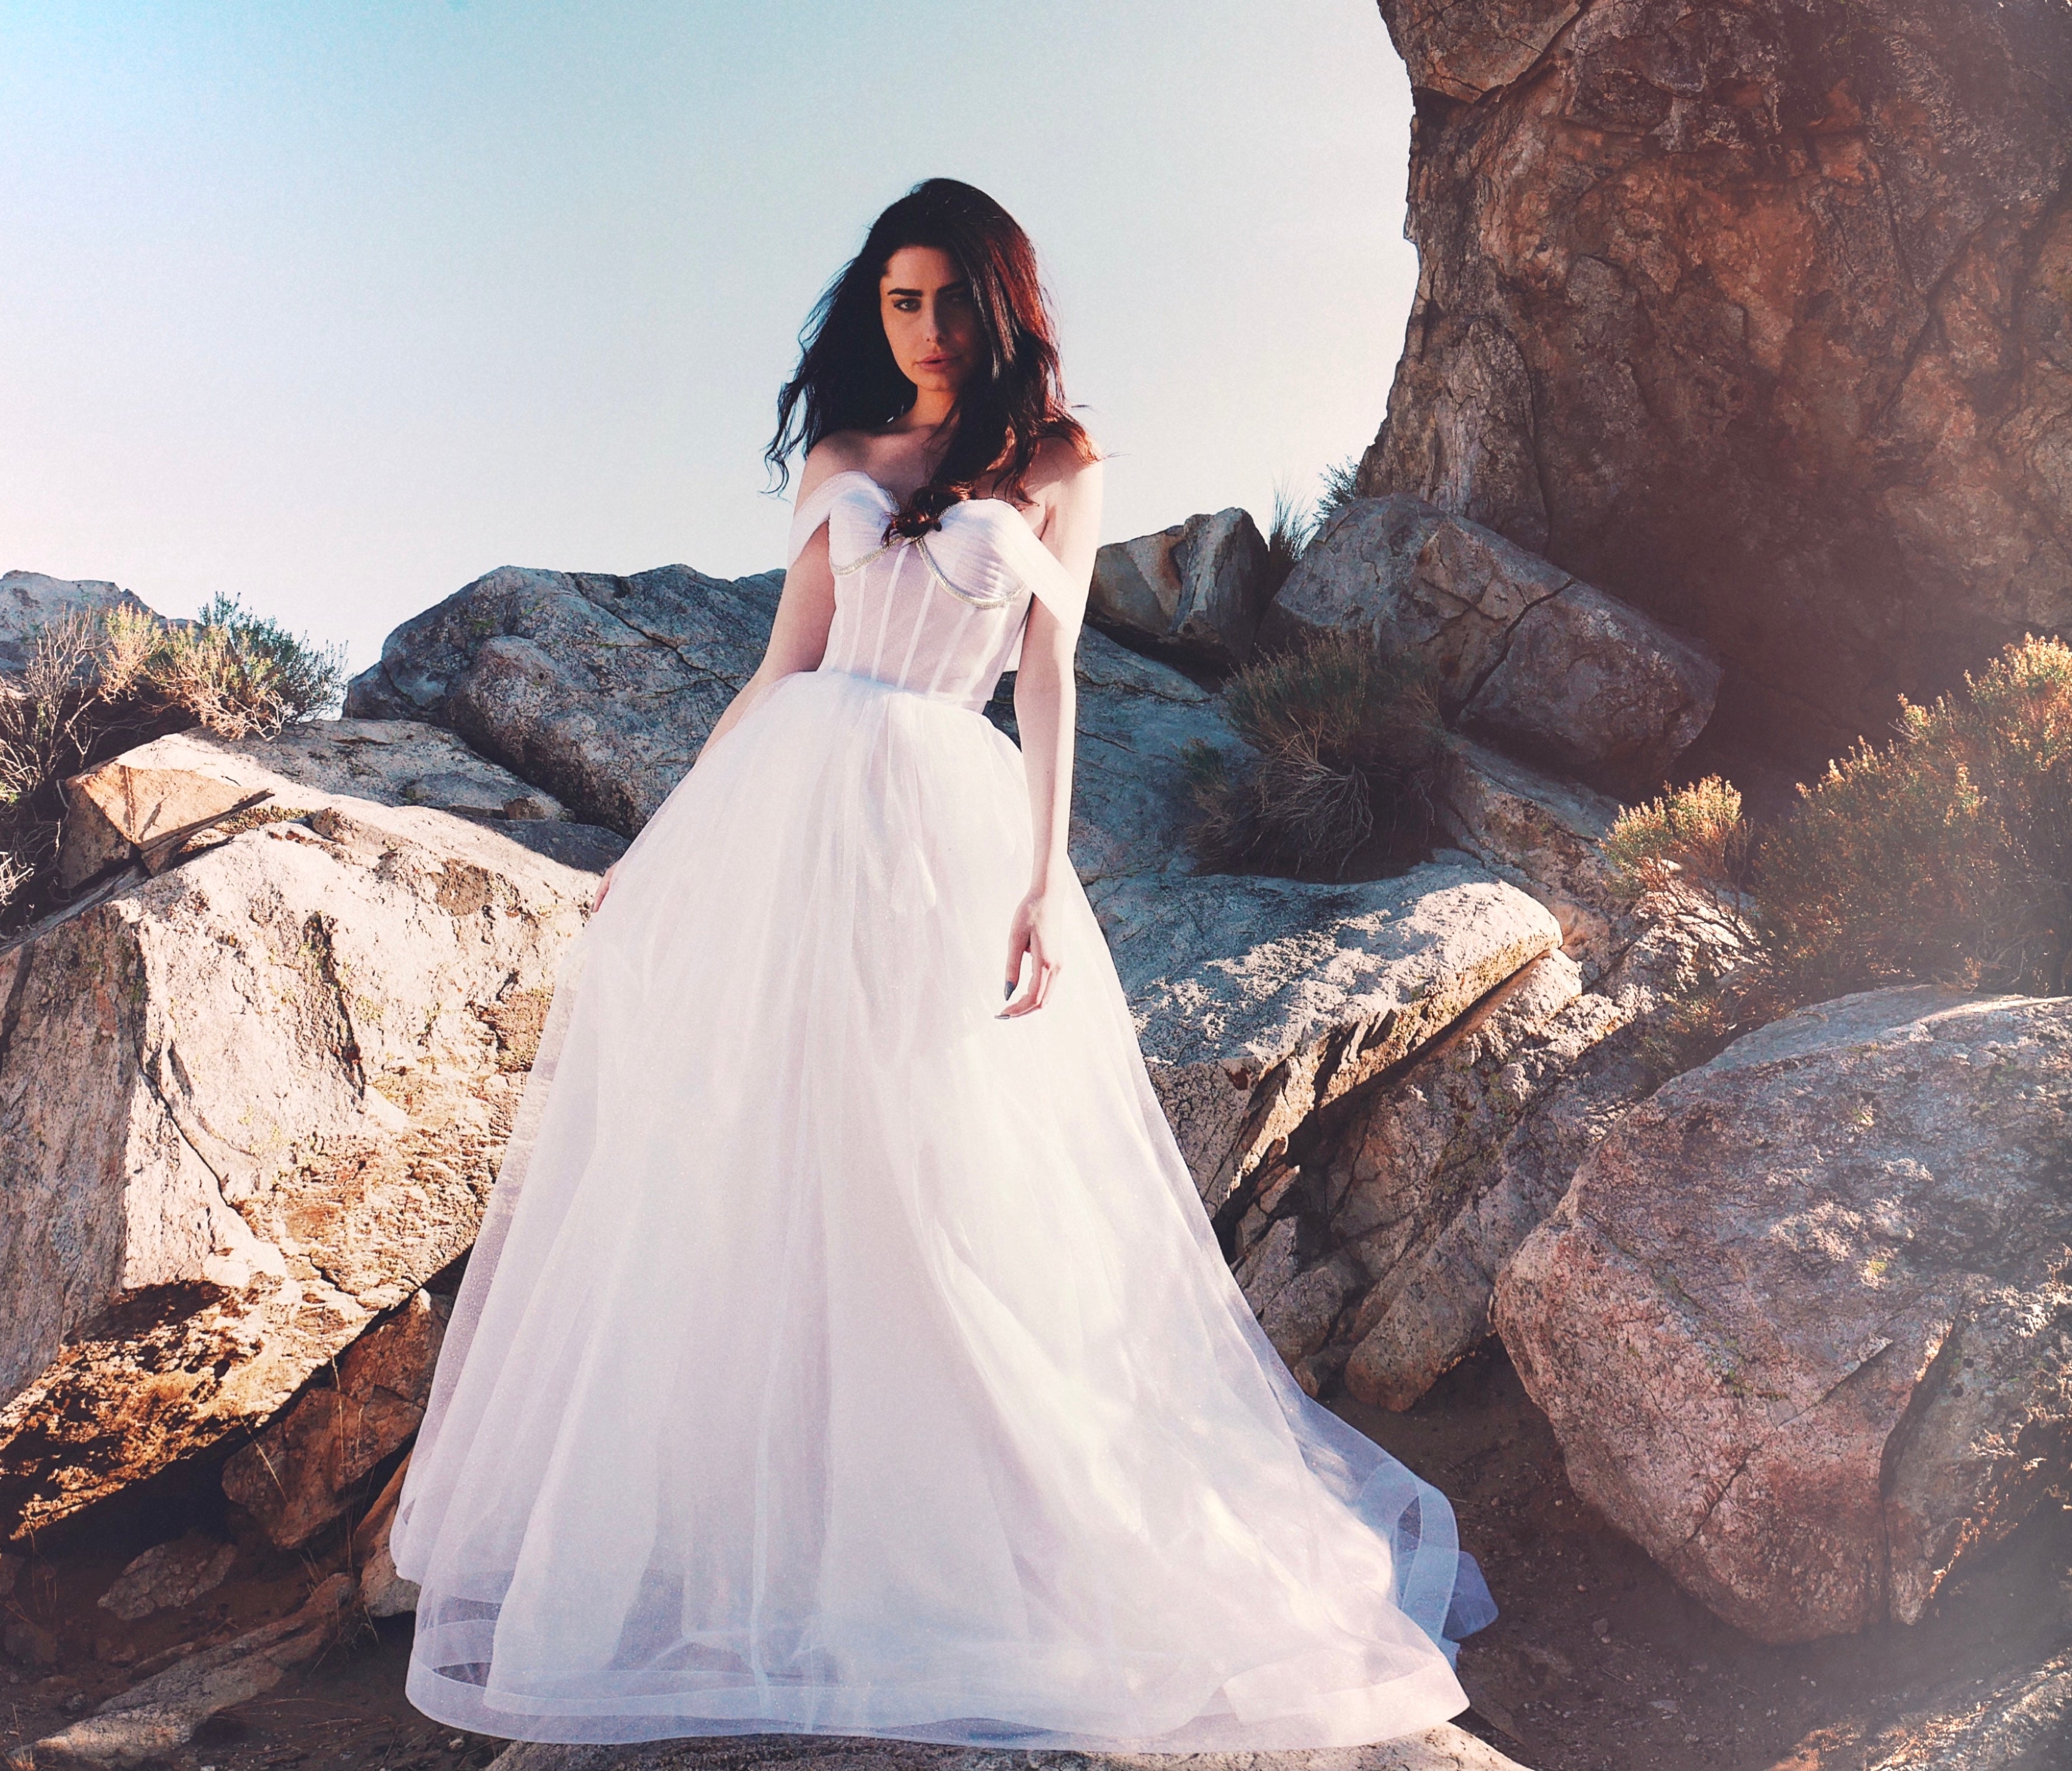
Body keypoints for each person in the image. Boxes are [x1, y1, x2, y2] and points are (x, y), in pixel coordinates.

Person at [391, 176, 1494, 1751]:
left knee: (944, 1158)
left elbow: (1046, 677)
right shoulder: (840, 458)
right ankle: (772, 1527)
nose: (922, 328)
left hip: (946, 822)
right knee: (775, 1150)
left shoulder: (1057, 461)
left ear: (999, 304)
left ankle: (966, 1529)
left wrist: (1045, 880)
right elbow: (784, 668)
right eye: (898, 301)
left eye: (947, 301)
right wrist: (659, 842)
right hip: (791, 815)